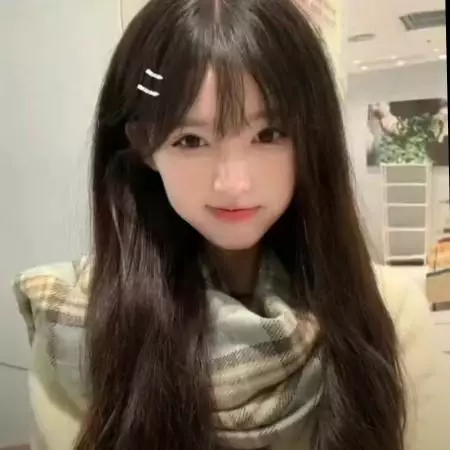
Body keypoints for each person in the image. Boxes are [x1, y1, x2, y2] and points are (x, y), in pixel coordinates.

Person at [13, 1, 450, 450]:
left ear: (311, 137)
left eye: (268, 134)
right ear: (144, 148)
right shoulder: (78, 330)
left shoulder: (392, 313)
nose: (234, 183)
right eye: (190, 140)